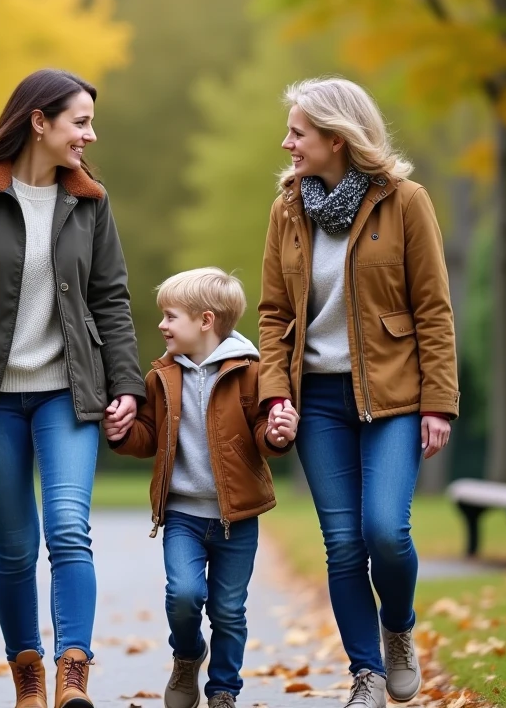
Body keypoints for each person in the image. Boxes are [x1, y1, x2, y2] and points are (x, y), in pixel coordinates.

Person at [0, 69, 145, 708]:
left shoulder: (90, 201)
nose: (90, 133)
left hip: (67, 390)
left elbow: (111, 298)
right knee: (17, 543)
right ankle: (27, 673)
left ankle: (72, 673)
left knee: (69, 529)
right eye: (80, 121)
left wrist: (127, 386)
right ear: (38, 121)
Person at [258, 77, 458, 707]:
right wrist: (274, 394)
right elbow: (271, 314)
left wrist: (439, 402)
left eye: (299, 133)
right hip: (315, 398)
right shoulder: (287, 208)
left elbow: (433, 308)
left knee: (385, 533)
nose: (286, 143)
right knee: (343, 543)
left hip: (393, 395)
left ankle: (397, 628)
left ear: (337, 140)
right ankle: (366, 674)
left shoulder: (405, 201)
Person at [106, 267, 296, 708]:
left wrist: (278, 434)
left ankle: (223, 691)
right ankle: (188, 654)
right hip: (183, 517)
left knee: (229, 612)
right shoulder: (162, 377)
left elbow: (264, 432)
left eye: (171, 317)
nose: (162, 325)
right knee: (185, 596)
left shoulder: (252, 373)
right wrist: (120, 430)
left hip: (237, 519)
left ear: (205, 321)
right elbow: (149, 435)